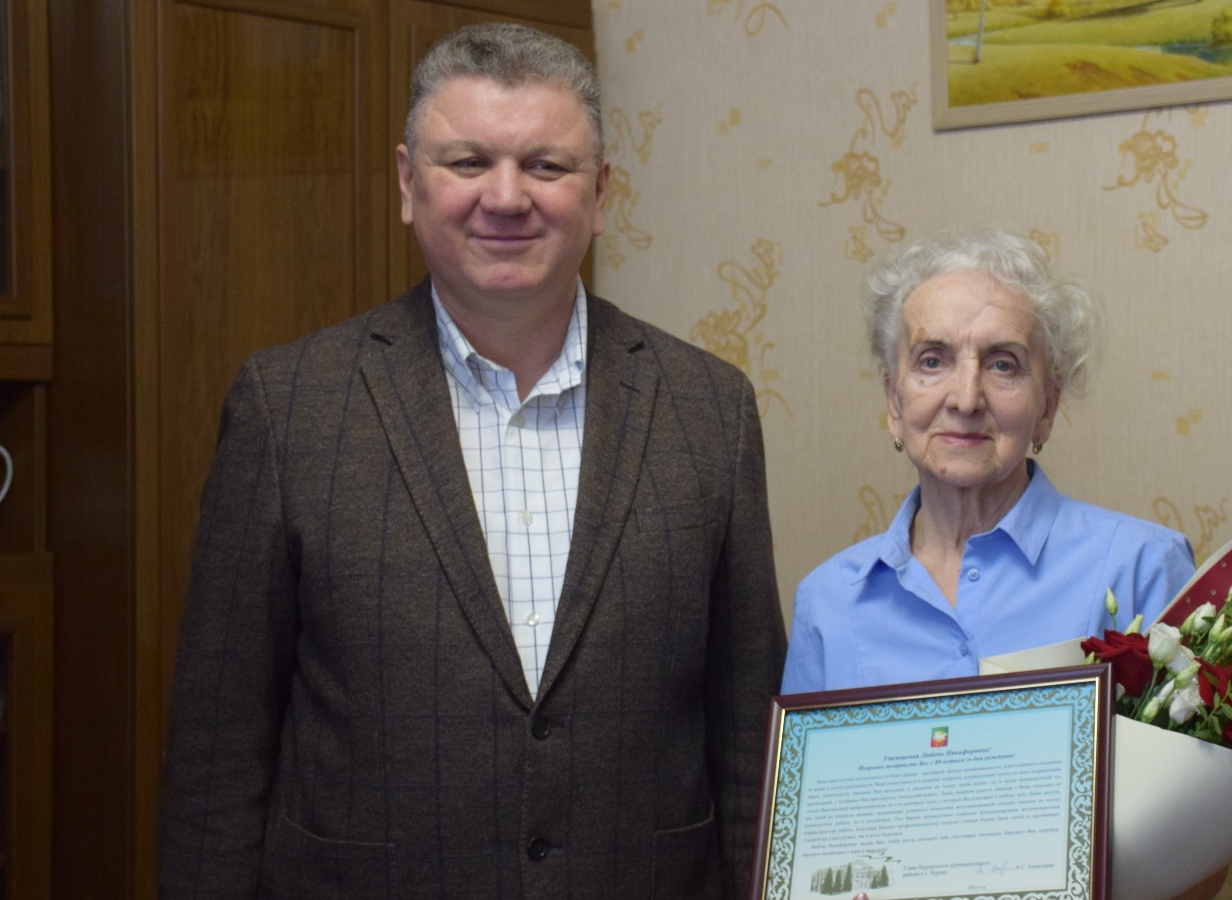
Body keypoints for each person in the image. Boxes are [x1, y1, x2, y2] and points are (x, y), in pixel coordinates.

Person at [159, 23, 785, 900]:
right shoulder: (289, 407)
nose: (507, 196)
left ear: (601, 193)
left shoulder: (708, 409)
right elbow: (218, 749)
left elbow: (749, 734)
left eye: (546, 165)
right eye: (467, 162)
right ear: (407, 183)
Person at [781, 227, 1195, 695]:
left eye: (1003, 364)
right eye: (932, 361)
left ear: (1047, 407)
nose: (966, 399)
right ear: (894, 402)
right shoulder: (828, 602)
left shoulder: (1142, 568)